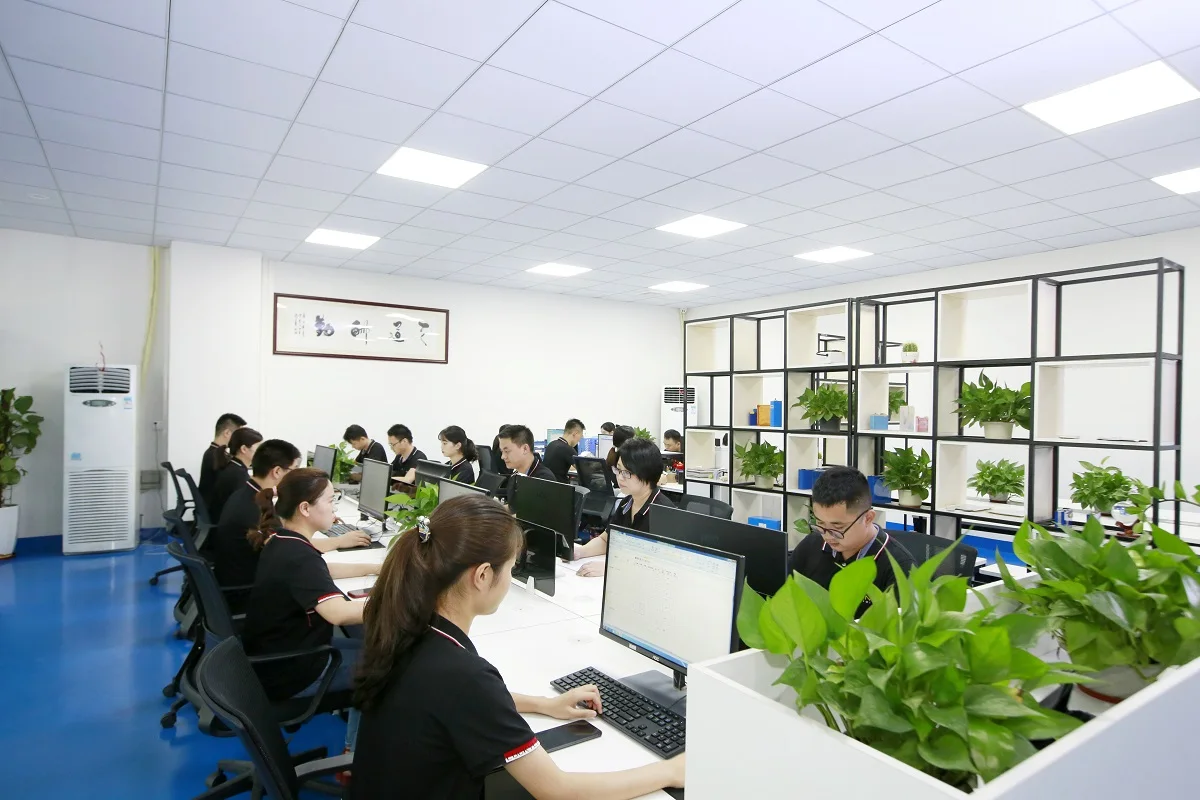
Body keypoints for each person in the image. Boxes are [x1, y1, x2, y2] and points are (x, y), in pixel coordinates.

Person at [350, 494, 685, 799]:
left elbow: (465, 701)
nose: (511, 579)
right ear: (482, 576)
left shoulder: (412, 627)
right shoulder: (463, 675)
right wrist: (670, 771)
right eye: (511, 568)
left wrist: (544, 705)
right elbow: (556, 790)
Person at [242, 468, 380, 756]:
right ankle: (353, 756)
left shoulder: (283, 540)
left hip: (280, 657)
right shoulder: (298, 555)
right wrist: (403, 602)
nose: (335, 507)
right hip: (294, 672)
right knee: (388, 664)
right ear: (305, 508)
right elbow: (338, 613)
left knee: (373, 646)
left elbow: (324, 569)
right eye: (330, 500)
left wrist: (377, 568)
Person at [212, 440, 371, 592]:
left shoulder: (248, 495)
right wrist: (339, 541)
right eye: (294, 469)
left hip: (237, 580)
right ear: (277, 471)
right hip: (246, 592)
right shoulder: (254, 511)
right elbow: (300, 553)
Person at [789, 467, 915, 618]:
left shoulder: (899, 568)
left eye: (838, 527)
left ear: (868, 518)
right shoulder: (812, 544)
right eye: (820, 523)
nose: (827, 536)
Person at [575, 438, 675, 578]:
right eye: (618, 470)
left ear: (647, 473)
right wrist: (579, 552)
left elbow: (658, 565)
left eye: (627, 472)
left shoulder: (663, 513)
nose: (620, 478)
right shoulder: (626, 503)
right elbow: (605, 540)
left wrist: (612, 567)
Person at [208, 426, 263, 520]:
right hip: (226, 523)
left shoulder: (234, 467)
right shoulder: (239, 475)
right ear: (244, 449)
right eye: (259, 449)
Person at [497, 425, 556, 503]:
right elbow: (513, 507)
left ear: (525, 449)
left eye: (506, 451)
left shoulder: (544, 480)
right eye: (502, 451)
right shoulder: (515, 476)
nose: (503, 456)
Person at [198, 413, 245, 508]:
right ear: (227, 433)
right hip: (216, 510)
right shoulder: (217, 456)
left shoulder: (212, 452)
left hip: (209, 505)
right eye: (238, 435)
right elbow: (232, 481)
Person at [542, 418, 585, 483]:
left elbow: (557, 466)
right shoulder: (568, 449)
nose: (579, 440)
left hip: (548, 485)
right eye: (581, 436)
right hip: (561, 487)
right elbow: (583, 470)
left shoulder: (551, 444)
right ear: (575, 434)